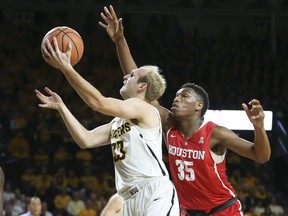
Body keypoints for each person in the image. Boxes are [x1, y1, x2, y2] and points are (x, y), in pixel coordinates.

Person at [99, 5, 271, 216]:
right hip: (187, 212)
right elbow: (139, 87)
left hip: (223, 210)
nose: (176, 99)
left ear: (199, 106)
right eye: (177, 95)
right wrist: (120, 41)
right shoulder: (169, 124)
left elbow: (261, 156)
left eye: (184, 96)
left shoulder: (215, 133)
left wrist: (259, 128)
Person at [37, 27, 180, 216]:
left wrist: (67, 69)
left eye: (131, 76)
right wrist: (62, 108)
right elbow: (85, 140)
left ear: (142, 86)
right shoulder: (118, 123)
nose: (125, 76)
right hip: (128, 199)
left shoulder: (144, 108)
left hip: (154, 192)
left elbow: (98, 103)